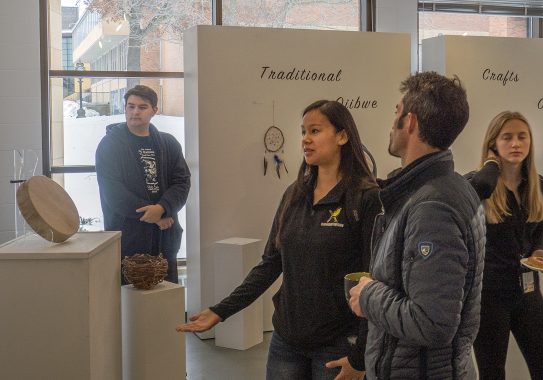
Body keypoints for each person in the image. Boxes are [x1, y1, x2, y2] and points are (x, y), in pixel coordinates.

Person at [177, 100, 381, 380]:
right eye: (303, 132)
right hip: (286, 341)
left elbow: (373, 281)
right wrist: (220, 311)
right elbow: (270, 264)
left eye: (315, 130)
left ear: (343, 136)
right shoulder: (294, 194)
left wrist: (361, 356)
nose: (305, 139)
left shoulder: (365, 198)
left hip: (337, 345)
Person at [348, 71, 486, 380]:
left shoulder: (433, 208)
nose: (392, 120)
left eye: (396, 112)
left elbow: (432, 323)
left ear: (409, 122)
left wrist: (368, 296)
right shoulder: (443, 190)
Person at [465, 111, 543, 380]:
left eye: (522, 136)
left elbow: (539, 233)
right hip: (489, 298)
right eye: (507, 137)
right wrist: (491, 165)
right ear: (493, 144)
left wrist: (540, 252)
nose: (516, 143)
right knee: (493, 373)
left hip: (529, 294)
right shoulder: (479, 184)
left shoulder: (538, 185)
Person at [96, 84, 190, 283]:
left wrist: (163, 207)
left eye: (142, 107)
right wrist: (154, 216)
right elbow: (113, 193)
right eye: (130, 106)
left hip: (165, 236)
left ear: (154, 111)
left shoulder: (168, 143)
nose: (135, 112)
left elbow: (182, 182)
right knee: (129, 304)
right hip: (128, 237)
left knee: (165, 299)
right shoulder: (110, 145)